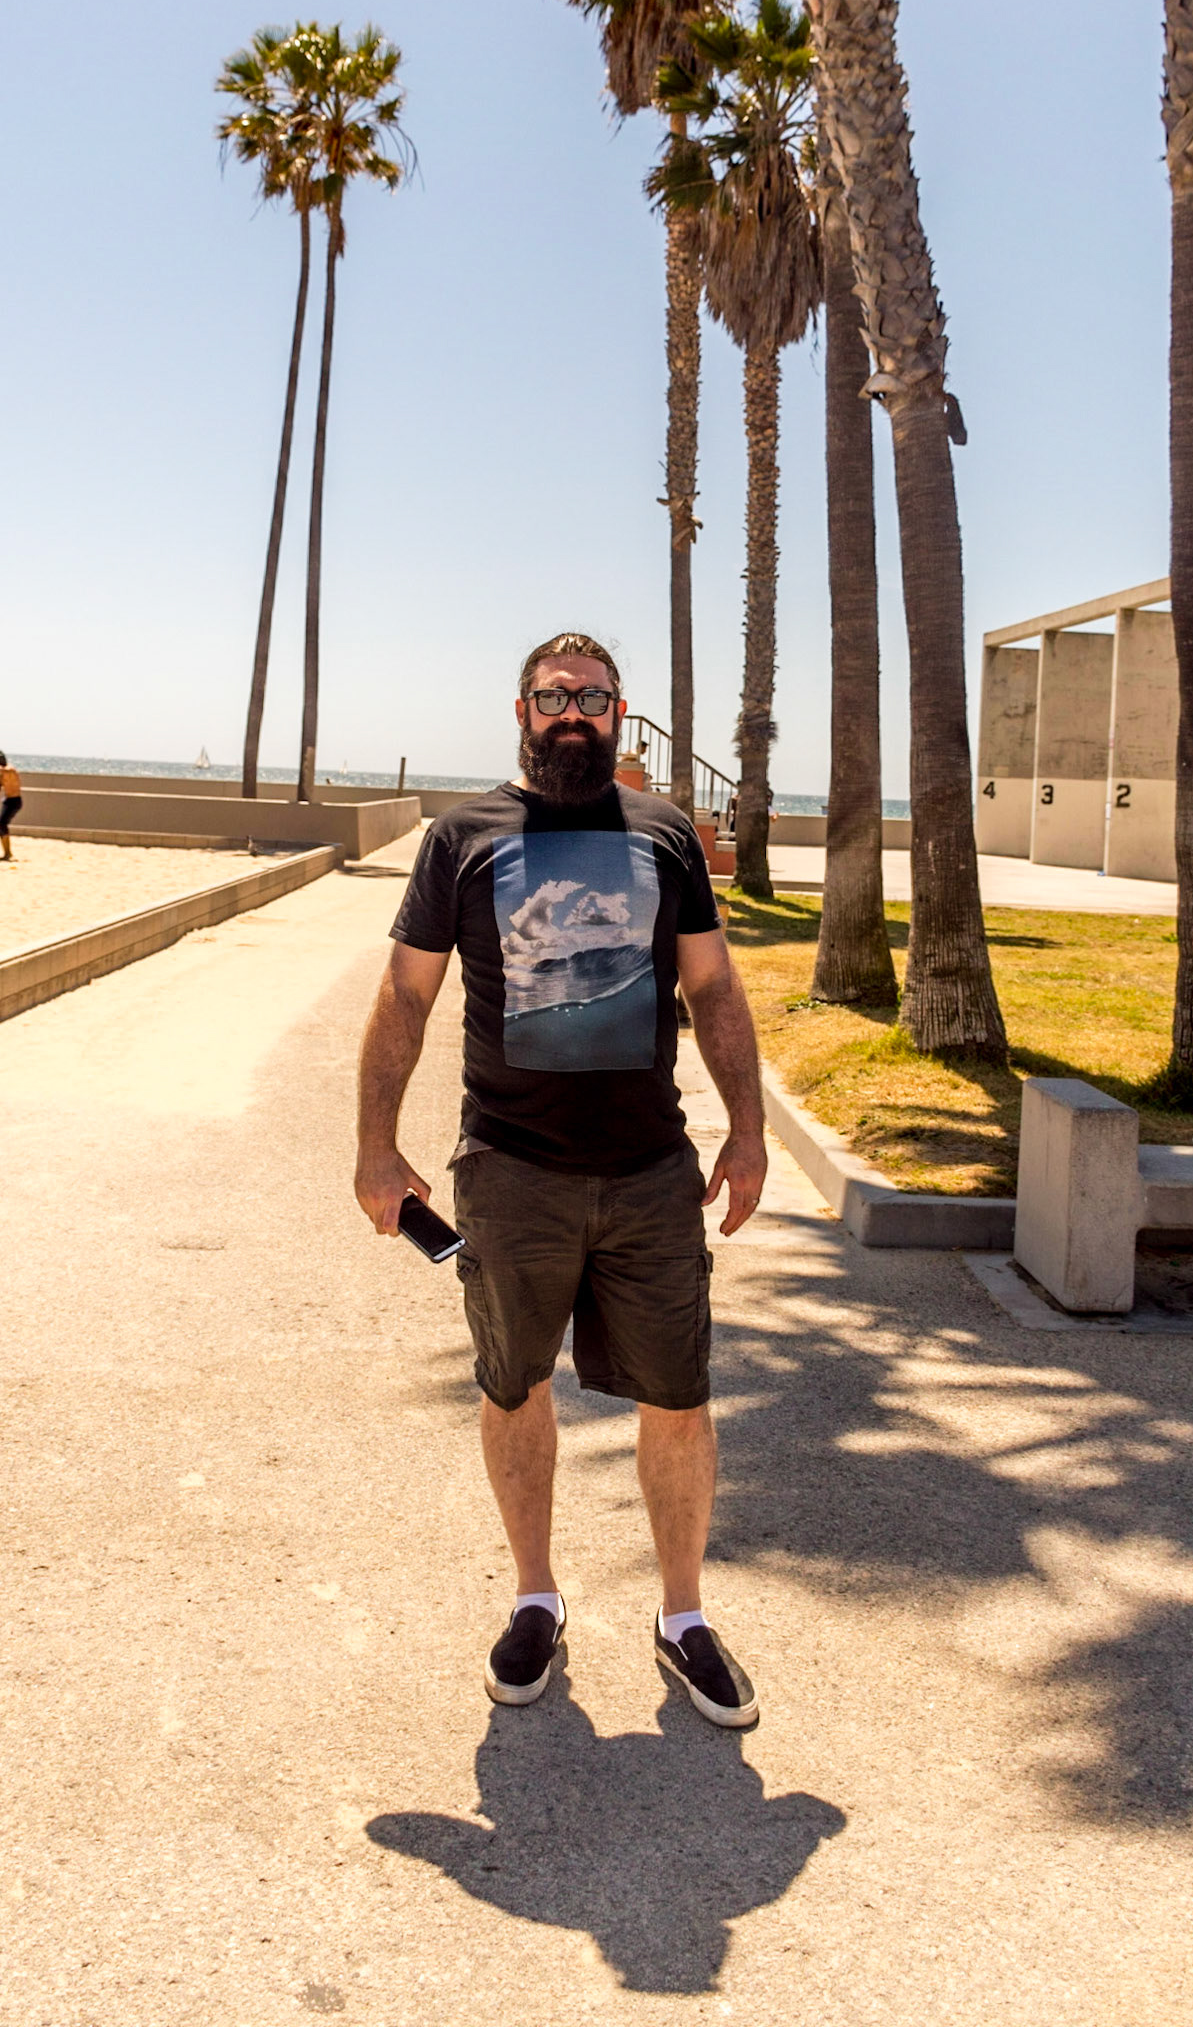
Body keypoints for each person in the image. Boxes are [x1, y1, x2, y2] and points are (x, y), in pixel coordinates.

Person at [354, 633, 768, 1728]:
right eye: (553, 695)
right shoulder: (463, 837)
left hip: (647, 1170)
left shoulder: (664, 835)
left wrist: (750, 1127)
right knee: (513, 1385)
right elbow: (405, 997)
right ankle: (535, 1595)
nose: (572, 711)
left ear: (619, 712)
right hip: (510, 1170)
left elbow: (714, 987)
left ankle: (681, 1617)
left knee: (678, 1401)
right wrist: (374, 1143)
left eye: (591, 695)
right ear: (522, 710)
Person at [0, 755, 22, 862]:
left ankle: (8, 853)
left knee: (2, 824)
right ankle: (6, 853)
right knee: (1, 825)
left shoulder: (10, 770)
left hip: (14, 801)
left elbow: (8, 770)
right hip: (8, 801)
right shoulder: (2, 774)